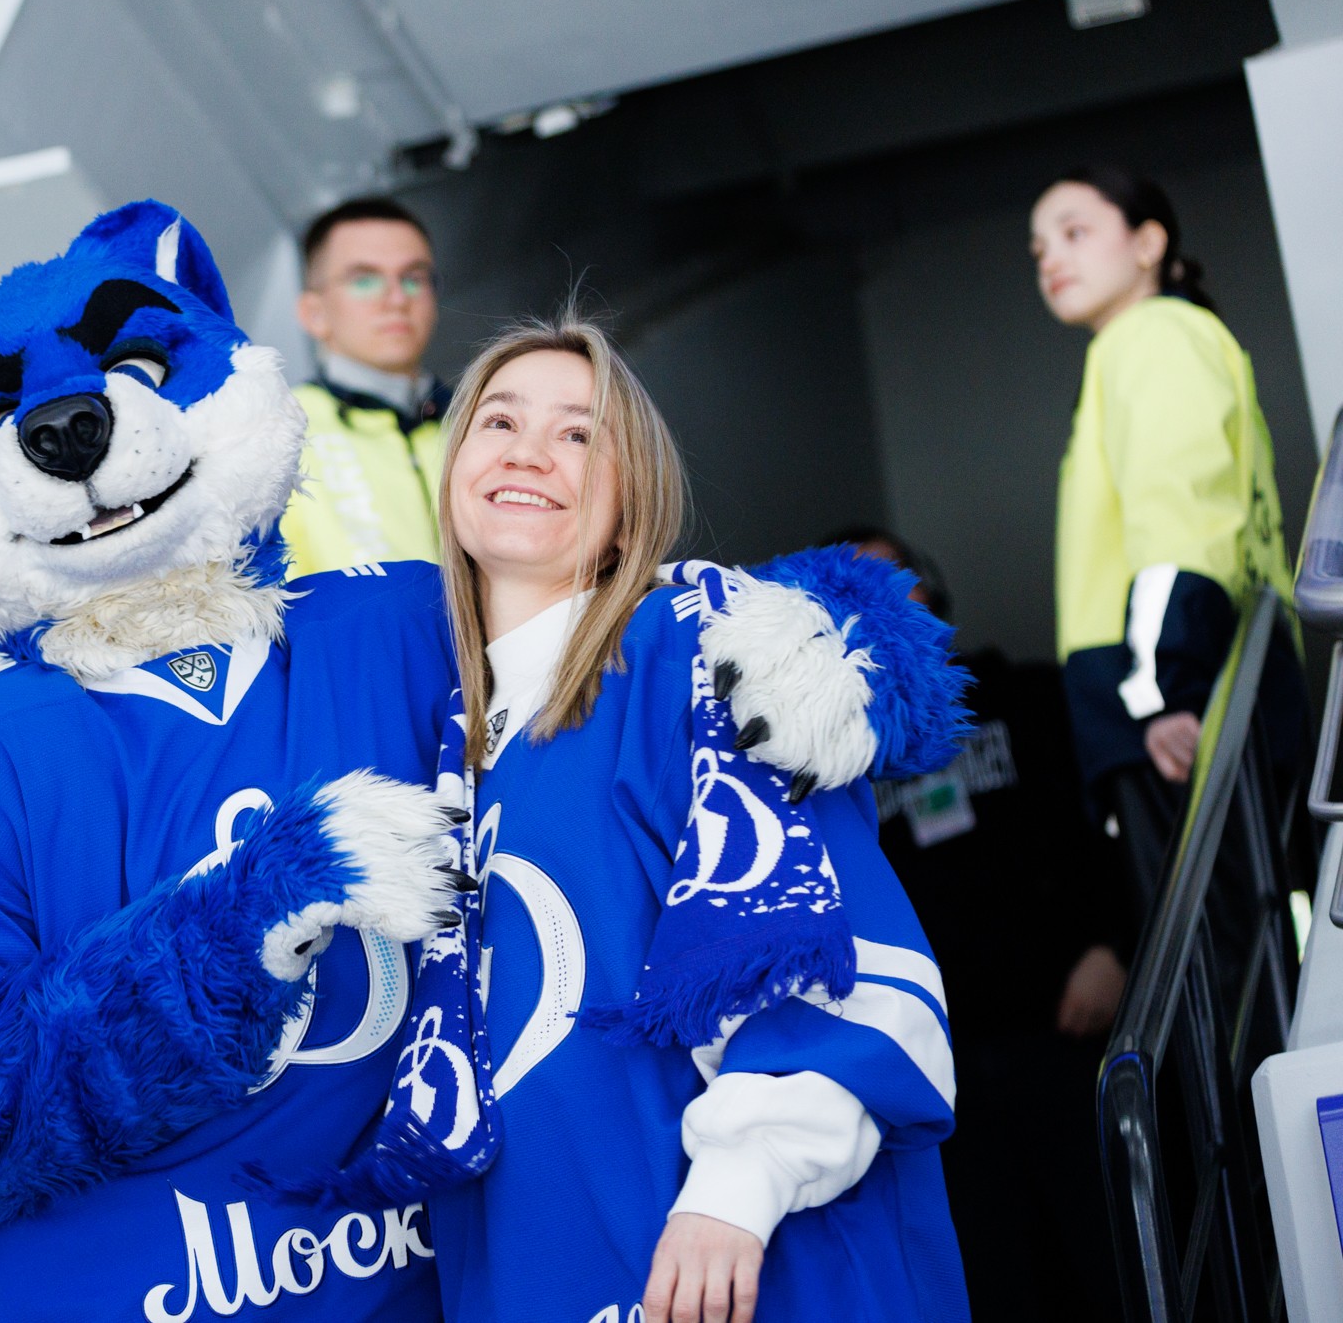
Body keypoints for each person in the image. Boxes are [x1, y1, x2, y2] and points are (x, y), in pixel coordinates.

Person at [314, 316, 970, 1323]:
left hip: (741, 1275)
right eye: (499, 421)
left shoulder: (698, 658)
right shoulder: (448, 751)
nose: (529, 451)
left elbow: (855, 965)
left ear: (630, 506)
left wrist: (734, 1191)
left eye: (579, 434)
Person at [828, 525, 1130, 1321]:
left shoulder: (1028, 698)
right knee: (993, 1280)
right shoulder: (830, 758)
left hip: (1063, 1031)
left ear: (933, 593)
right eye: (852, 593)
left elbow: (1109, 832)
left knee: (1108, 1262)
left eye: (896, 581)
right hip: (935, 1074)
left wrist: (1114, 946)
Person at [1031, 166, 1302, 903]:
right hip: (1191, 682)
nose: (1051, 259)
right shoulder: (1151, 342)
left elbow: (1181, 511)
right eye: (1040, 248)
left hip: (1177, 700)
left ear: (1148, 243)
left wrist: (1162, 689)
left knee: (1223, 944)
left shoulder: (1153, 336)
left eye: (1075, 232)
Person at [281, 198, 449, 577]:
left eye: (414, 278)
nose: (397, 299)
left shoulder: (482, 424)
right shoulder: (277, 435)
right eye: (365, 280)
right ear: (314, 313)